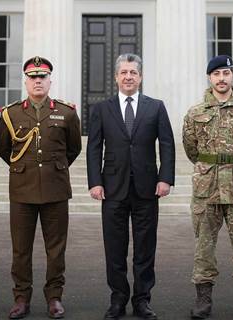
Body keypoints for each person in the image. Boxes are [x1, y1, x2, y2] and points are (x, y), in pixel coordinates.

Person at [86, 53, 175, 320]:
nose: (128, 77)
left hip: (147, 188)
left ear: (140, 77)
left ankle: (142, 300)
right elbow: (93, 148)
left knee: (145, 247)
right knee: (115, 248)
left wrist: (165, 178)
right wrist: (95, 182)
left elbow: (167, 144)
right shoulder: (102, 109)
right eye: (123, 72)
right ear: (116, 77)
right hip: (112, 188)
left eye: (133, 72)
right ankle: (118, 299)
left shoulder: (156, 107)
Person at [0, 56, 81, 319]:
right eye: (32, 77)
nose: (37, 81)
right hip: (22, 190)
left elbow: (73, 148)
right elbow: (3, 149)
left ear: (49, 81)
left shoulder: (66, 112)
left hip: (55, 190)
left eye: (42, 77)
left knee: (56, 248)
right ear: (25, 81)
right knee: (21, 249)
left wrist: (53, 168)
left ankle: (54, 297)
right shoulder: (10, 114)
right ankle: (21, 297)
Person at [182, 55, 233, 320]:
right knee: (204, 247)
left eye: (226, 73)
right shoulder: (196, 113)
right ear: (210, 78)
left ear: (232, 76)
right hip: (207, 189)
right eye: (216, 74)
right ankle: (203, 300)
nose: (221, 78)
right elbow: (191, 148)